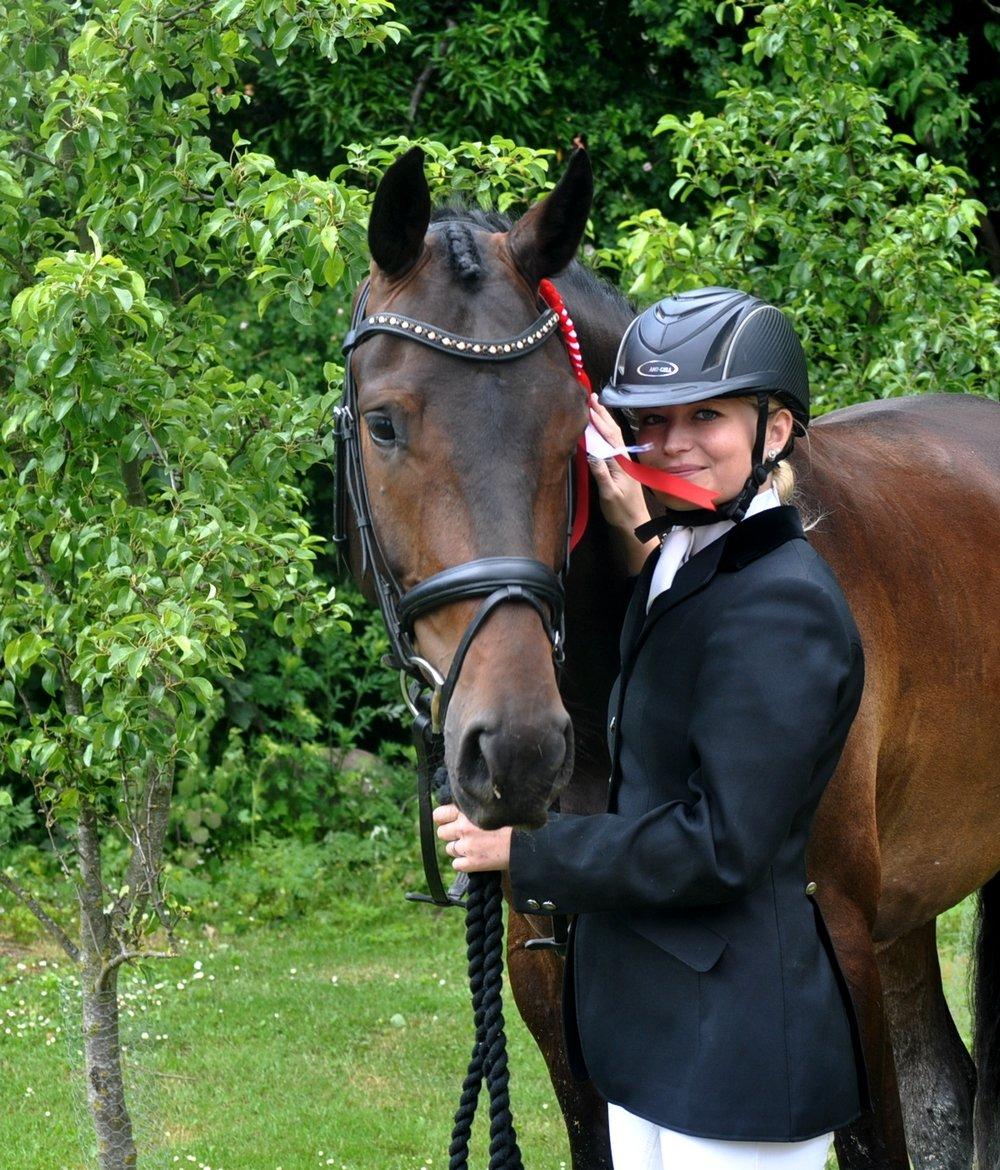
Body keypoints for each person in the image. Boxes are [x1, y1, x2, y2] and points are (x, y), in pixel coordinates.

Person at [434, 286, 869, 1170]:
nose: (672, 443)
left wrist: (532, 854)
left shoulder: (786, 607)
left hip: (739, 1062)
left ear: (775, 431)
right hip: (662, 1041)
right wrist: (637, 518)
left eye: (704, 416)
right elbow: (683, 637)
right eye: (654, 420)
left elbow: (723, 845)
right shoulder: (691, 559)